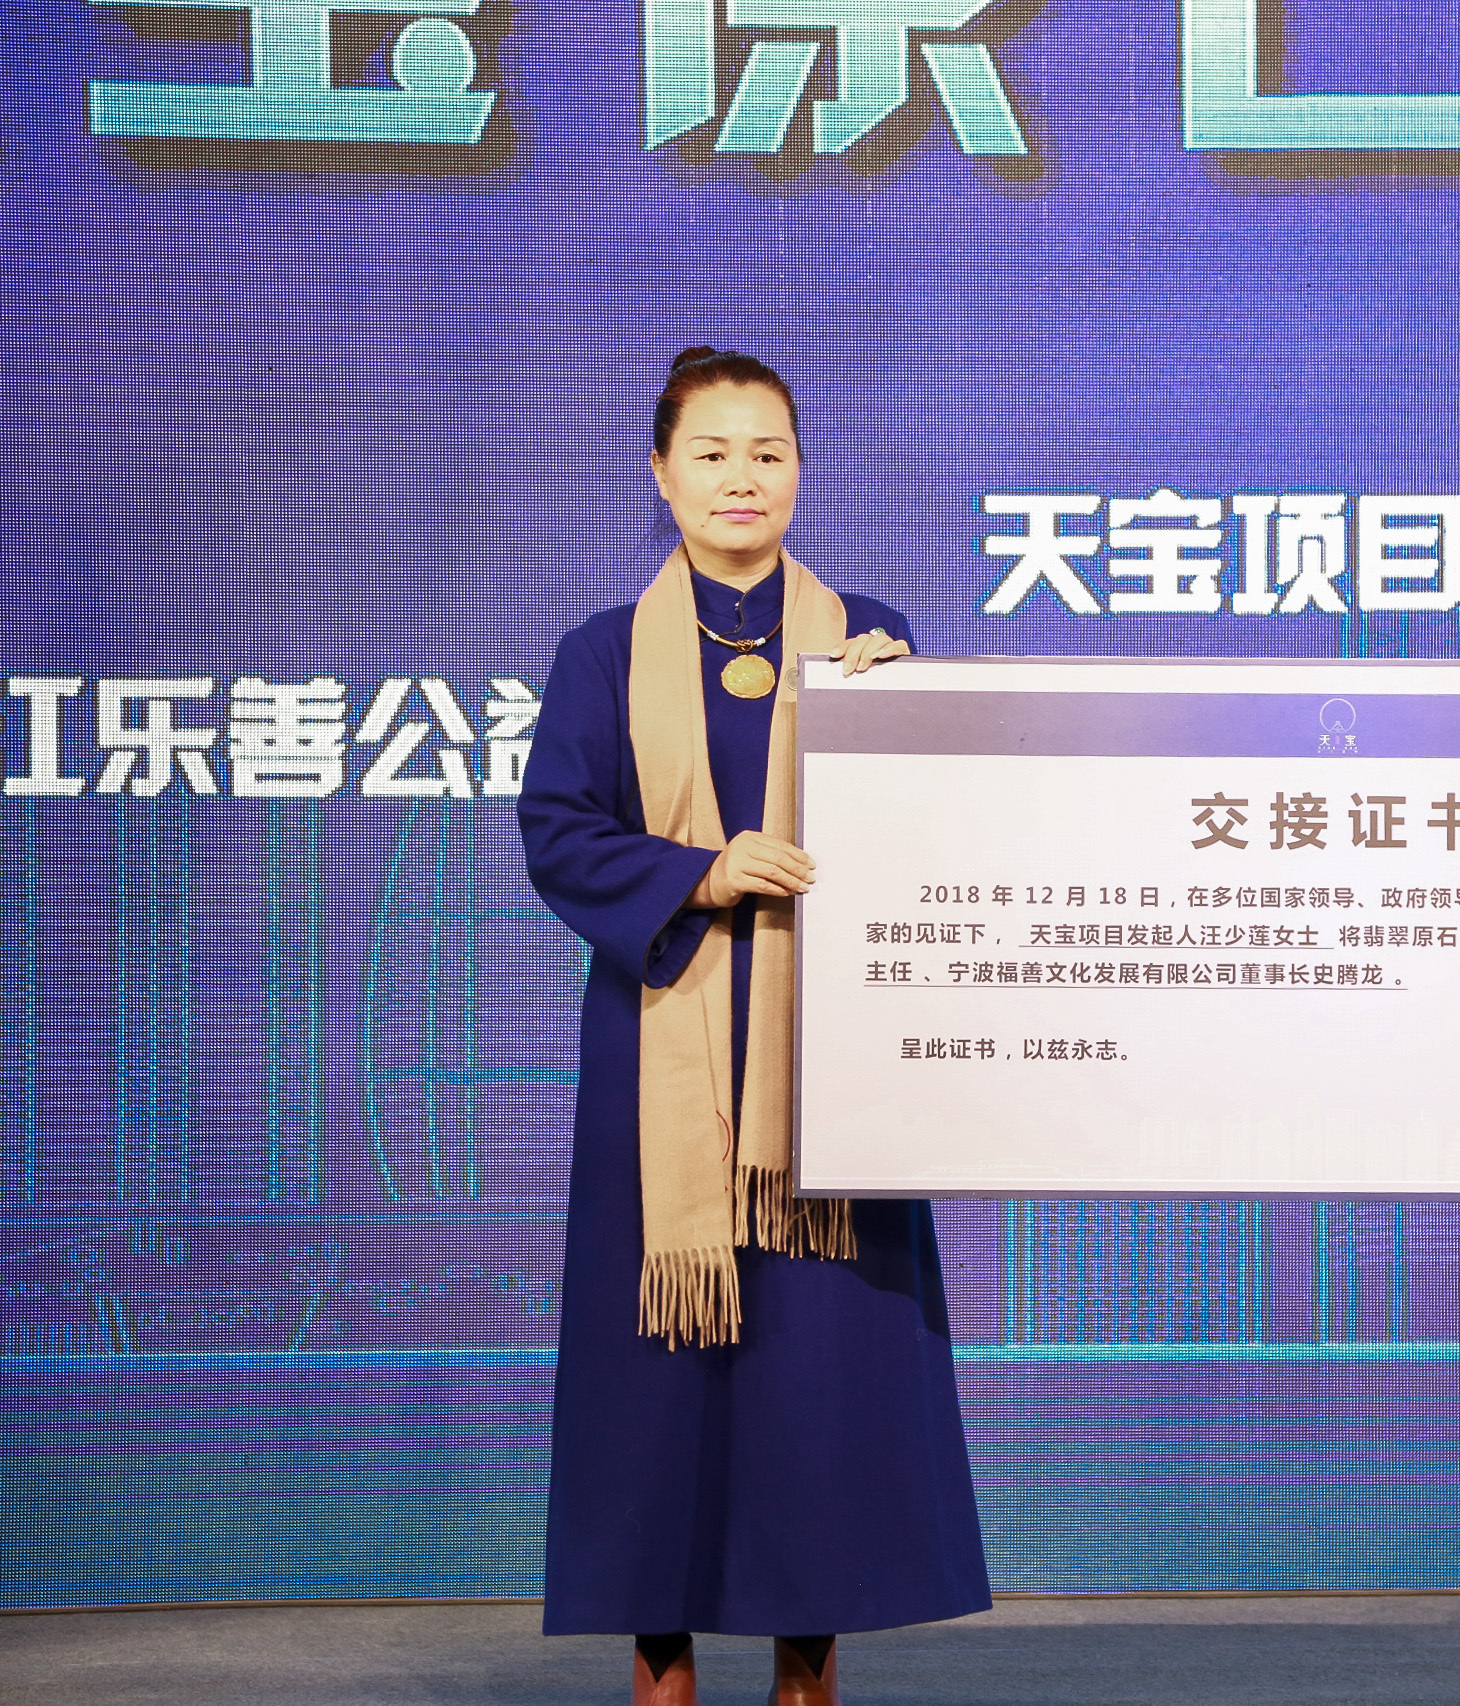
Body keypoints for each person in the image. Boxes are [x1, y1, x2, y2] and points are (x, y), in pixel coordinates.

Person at [519, 347, 990, 1706]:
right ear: (661, 473)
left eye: (768, 452)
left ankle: (807, 1668)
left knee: (817, 1379)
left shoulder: (865, 639)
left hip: (830, 1047)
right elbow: (560, 832)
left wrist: (907, 717)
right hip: (663, 1046)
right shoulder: (604, 652)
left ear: (799, 472)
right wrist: (704, 872)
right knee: (661, 1374)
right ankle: (660, 1668)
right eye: (713, 452)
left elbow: (936, 836)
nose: (742, 477)